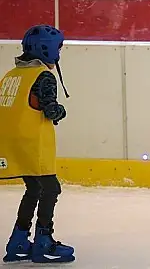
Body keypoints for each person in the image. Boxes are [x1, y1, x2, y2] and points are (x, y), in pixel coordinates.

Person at [1, 25, 74, 263]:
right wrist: (60, 110)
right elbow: (51, 109)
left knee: (34, 189)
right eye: (58, 49)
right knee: (51, 189)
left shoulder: (11, 75)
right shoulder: (43, 77)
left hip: (12, 145)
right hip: (34, 145)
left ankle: (18, 240)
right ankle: (44, 241)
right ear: (47, 50)